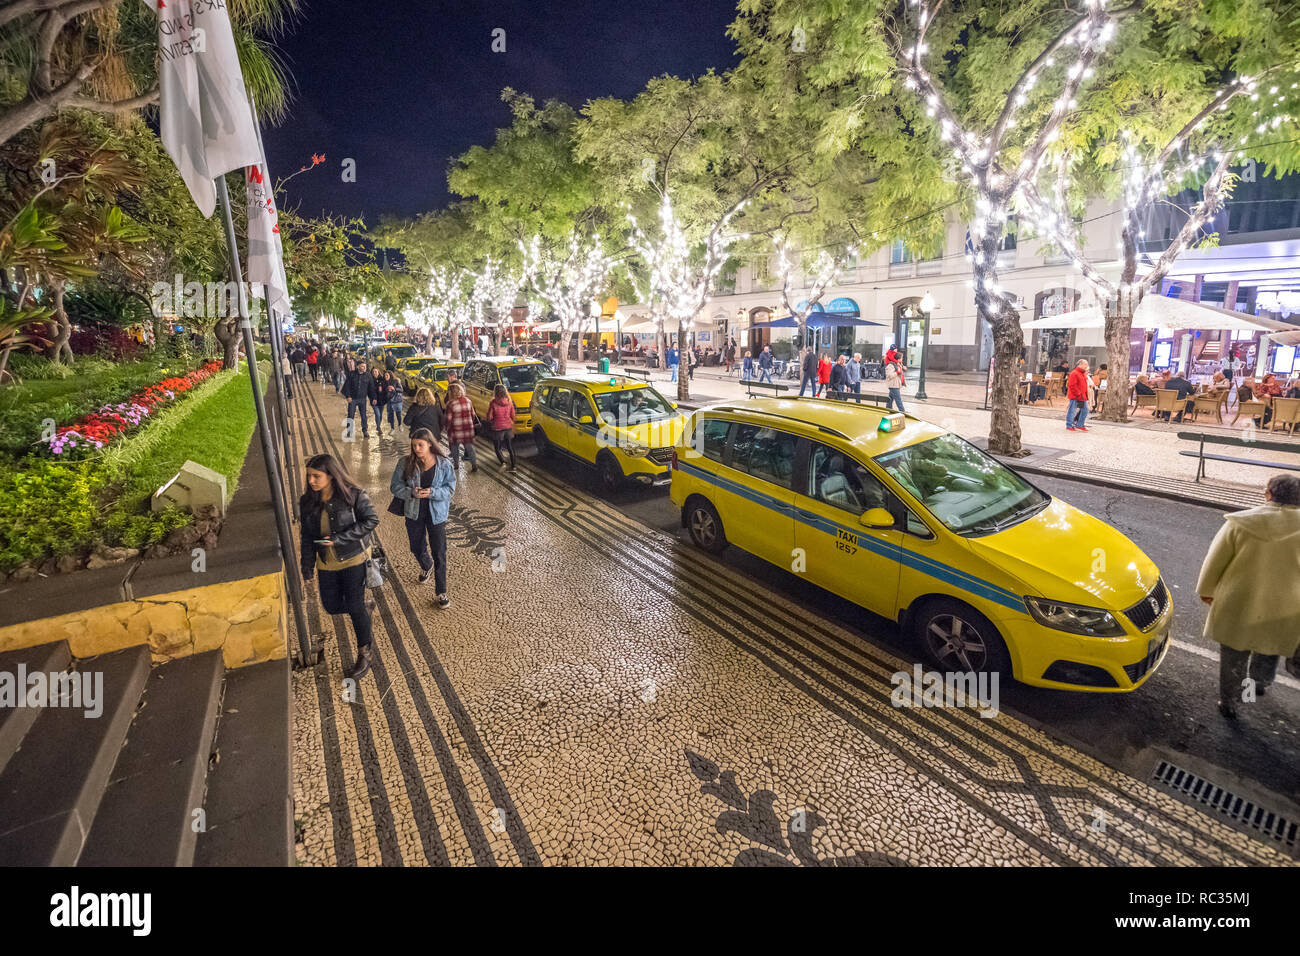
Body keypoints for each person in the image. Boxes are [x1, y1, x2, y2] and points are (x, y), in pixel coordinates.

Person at [1196, 474, 1300, 718]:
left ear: (1268, 494)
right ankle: (1259, 684)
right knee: (1269, 646)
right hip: (1285, 606)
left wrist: (1207, 590)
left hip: (1239, 602)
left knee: (1233, 655)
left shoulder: (1240, 523)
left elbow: (1216, 560)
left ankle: (1230, 701)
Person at [299, 454, 379, 680]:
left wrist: (339, 539)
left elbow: (371, 520)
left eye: (317, 476)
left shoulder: (353, 495)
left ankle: (365, 653)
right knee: (332, 606)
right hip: (327, 563)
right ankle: (364, 607)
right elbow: (307, 537)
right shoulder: (307, 502)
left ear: (331, 476)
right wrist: (307, 568)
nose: (312, 481)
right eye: (309, 477)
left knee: (353, 605)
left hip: (353, 559)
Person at [389, 428, 456, 609]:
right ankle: (426, 565)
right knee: (416, 546)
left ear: (429, 444)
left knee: (439, 552)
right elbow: (395, 487)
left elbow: (450, 489)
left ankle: (441, 591)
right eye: (414, 445)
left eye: (420, 445)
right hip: (414, 511)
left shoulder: (444, 464)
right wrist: (411, 492)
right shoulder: (405, 463)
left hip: (437, 514)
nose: (417, 448)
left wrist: (432, 492)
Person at [444, 382, 479, 472]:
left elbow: (448, 419)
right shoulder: (468, 401)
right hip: (468, 429)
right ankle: (474, 464)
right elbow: (473, 415)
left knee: (454, 447)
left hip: (455, 430)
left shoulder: (450, 404)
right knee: (470, 448)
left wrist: (446, 428)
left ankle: (456, 464)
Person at [342, 359, 376, 438]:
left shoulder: (368, 375)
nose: (364, 368)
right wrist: (348, 396)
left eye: (365, 366)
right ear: (358, 367)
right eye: (362, 366)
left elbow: (371, 388)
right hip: (352, 399)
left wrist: (373, 398)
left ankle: (365, 431)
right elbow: (347, 386)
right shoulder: (351, 375)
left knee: (363, 416)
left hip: (362, 399)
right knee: (350, 415)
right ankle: (349, 431)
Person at [486, 384, 517, 469]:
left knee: (497, 447)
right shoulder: (509, 401)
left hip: (497, 428)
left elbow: (489, 417)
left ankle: (503, 462)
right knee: (510, 447)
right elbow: (513, 415)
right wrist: (510, 422)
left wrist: (491, 420)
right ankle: (514, 467)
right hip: (508, 427)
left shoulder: (493, 402)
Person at [1066, 359, 1090, 431]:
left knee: (1085, 410)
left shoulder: (1083, 373)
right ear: (1080, 364)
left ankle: (1080, 424)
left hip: (1083, 396)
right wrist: (1078, 393)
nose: (1087, 366)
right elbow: (1072, 385)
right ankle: (1069, 425)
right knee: (1072, 410)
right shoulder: (1074, 373)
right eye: (1085, 364)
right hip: (1075, 396)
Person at [372, 369, 396, 436]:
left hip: (382, 402)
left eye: (387, 375)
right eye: (385, 375)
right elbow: (373, 390)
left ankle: (378, 426)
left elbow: (389, 392)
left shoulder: (389, 382)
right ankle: (379, 428)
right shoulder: (381, 382)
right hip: (375, 401)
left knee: (380, 415)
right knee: (378, 414)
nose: (386, 376)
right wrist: (378, 388)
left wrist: (392, 389)